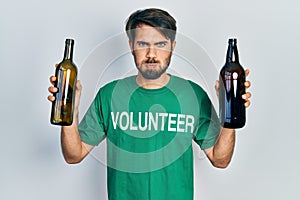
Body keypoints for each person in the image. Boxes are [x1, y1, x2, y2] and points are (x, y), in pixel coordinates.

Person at [48, 8, 251, 200]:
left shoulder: (193, 95)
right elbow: (74, 155)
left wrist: (228, 113)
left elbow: (220, 159)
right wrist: (70, 115)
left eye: (161, 44)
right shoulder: (109, 95)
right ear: (131, 46)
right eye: (143, 44)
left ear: (173, 46)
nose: (151, 54)